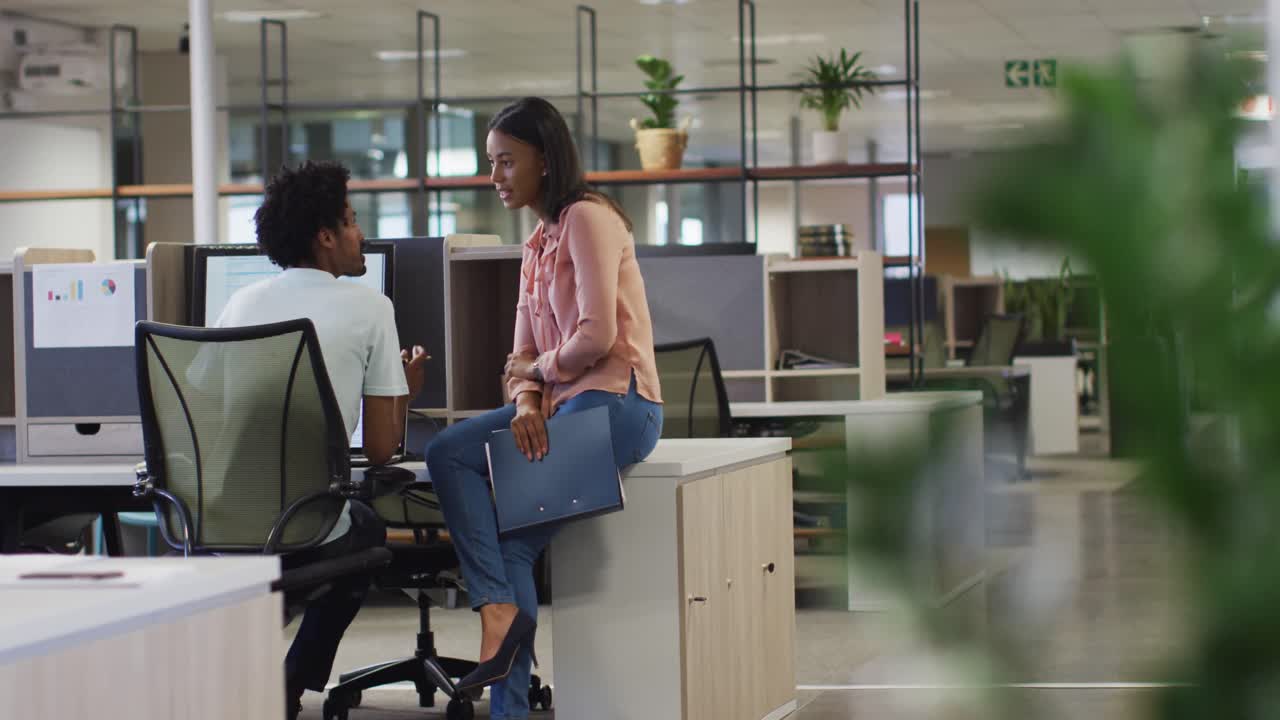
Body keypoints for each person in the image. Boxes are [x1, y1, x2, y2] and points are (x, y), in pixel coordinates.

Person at [424, 97, 664, 719]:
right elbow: (518, 356)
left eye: (506, 161)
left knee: (514, 546)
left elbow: (597, 336)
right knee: (448, 451)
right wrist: (527, 399)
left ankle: (505, 697)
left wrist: (536, 378)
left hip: (617, 402)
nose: (495, 176)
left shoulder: (587, 217)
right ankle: (496, 606)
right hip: (561, 405)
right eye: (490, 163)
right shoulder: (534, 247)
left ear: (544, 160)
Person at [214, 160, 429, 720]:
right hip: (306, 521)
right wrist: (403, 390)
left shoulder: (239, 305)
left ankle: (252, 637)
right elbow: (381, 450)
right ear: (326, 236)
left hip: (224, 520)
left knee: (310, 543)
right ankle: (290, 681)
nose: (362, 236)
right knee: (366, 529)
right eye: (353, 222)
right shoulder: (371, 307)